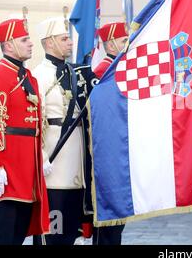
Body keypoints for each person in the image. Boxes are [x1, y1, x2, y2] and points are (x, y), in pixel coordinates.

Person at [0, 18, 50, 245]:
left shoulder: (26, 76)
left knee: (18, 234)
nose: (31, 43)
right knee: (0, 236)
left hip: (26, 171)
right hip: (6, 169)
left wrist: (40, 158)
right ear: (8, 45)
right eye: (24, 39)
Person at [32, 15, 97, 245]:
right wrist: (41, 156)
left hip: (76, 160)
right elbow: (35, 121)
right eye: (64, 38)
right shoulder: (39, 75)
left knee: (72, 229)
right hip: (53, 160)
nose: (70, 42)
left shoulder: (73, 71)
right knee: (53, 230)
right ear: (49, 43)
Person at [90, 22, 128, 245]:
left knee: (117, 222)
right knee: (109, 223)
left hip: (119, 150)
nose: (128, 45)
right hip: (108, 154)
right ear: (111, 43)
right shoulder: (102, 72)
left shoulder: (119, 67)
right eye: (124, 41)